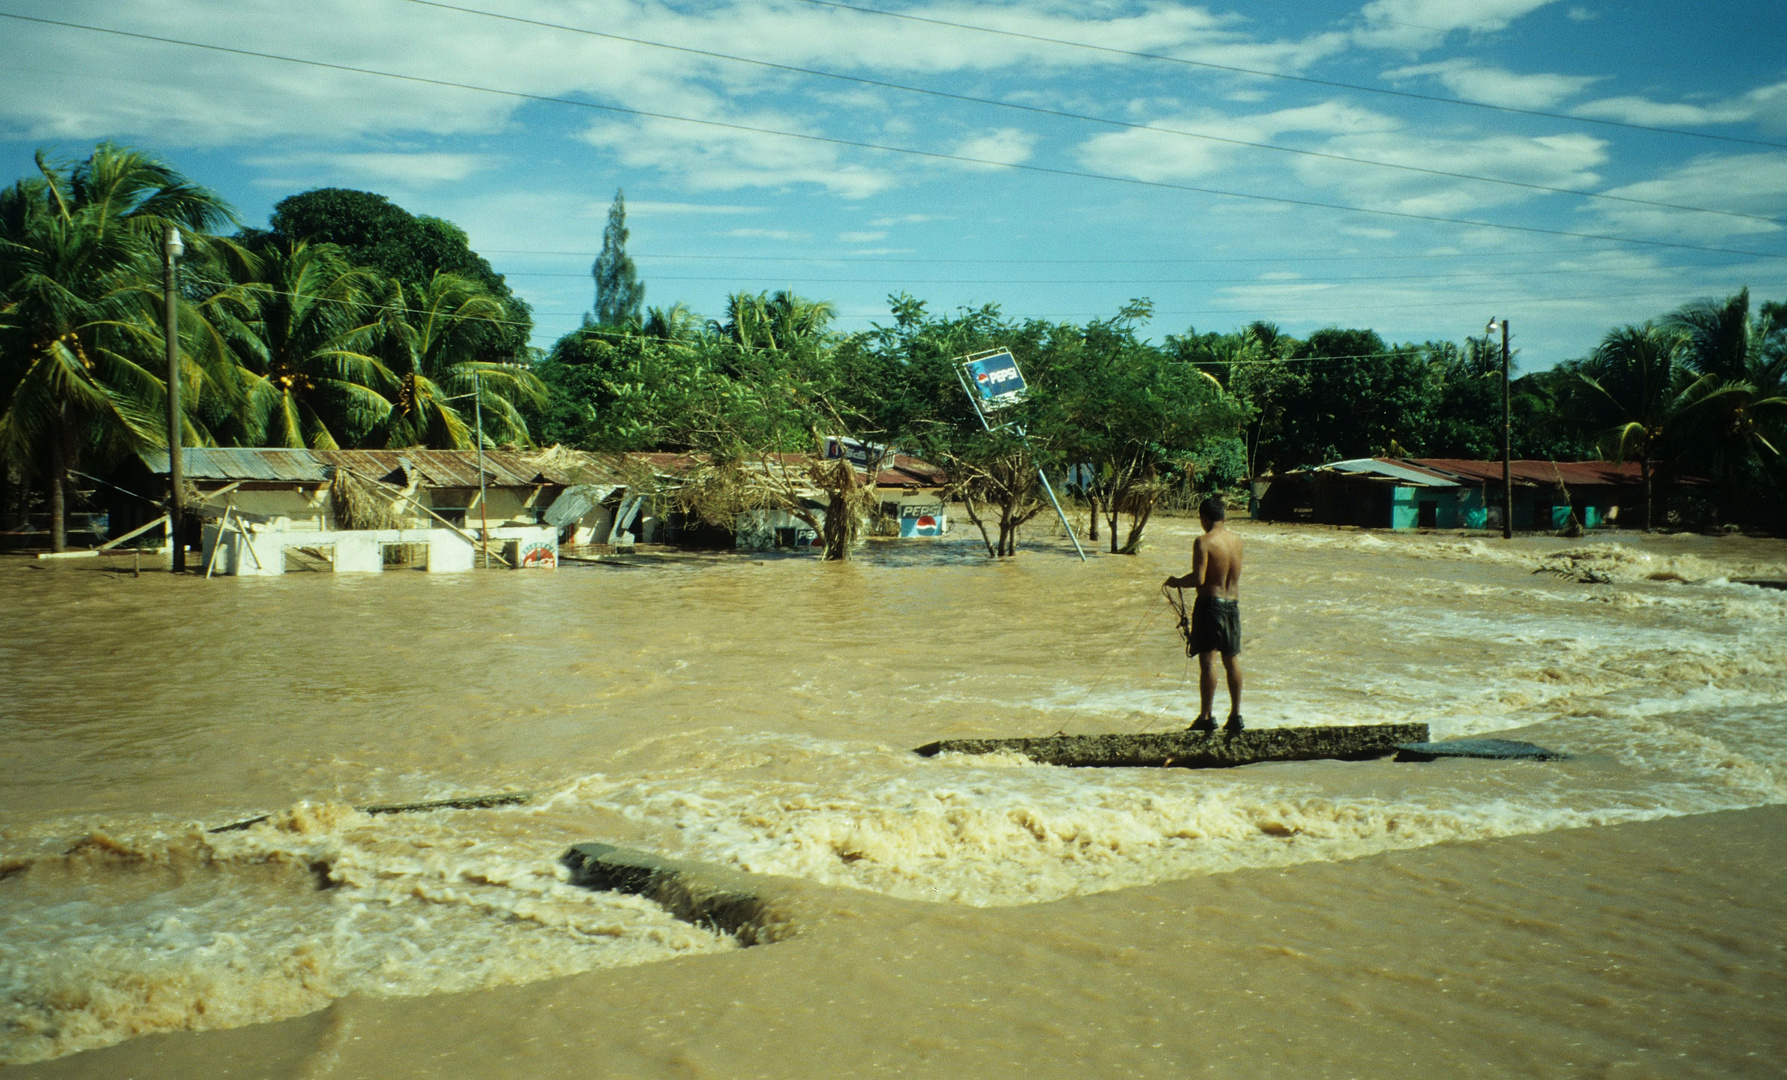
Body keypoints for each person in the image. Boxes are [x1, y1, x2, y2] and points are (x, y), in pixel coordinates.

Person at [1164, 495, 1244, 733]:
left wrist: (1176, 581)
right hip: (1232, 605)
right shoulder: (1237, 541)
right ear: (1224, 517)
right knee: (1232, 660)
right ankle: (1236, 715)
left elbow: (1199, 579)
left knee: (1209, 662)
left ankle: (1206, 716)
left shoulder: (1203, 541)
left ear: (1204, 518)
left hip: (1211, 605)